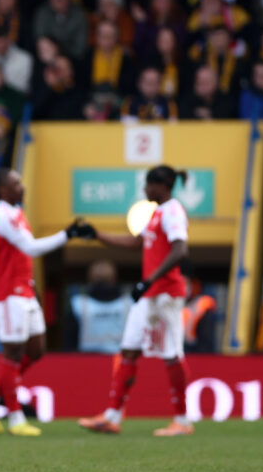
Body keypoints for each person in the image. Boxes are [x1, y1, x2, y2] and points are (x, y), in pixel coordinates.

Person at [0, 169, 94, 437]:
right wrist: (67, 234)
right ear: (3, 189)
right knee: (13, 353)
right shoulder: (2, 214)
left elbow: (20, 256)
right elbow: (31, 248)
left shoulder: (15, 212)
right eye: (16, 183)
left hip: (24, 289)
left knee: (36, 349)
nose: (22, 187)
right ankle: (15, 419)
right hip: (6, 293)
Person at [79, 165, 194, 437]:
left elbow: (181, 250)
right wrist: (98, 236)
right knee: (129, 349)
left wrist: (150, 279)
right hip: (150, 294)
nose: (144, 190)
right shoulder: (158, 213)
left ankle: (183, 421)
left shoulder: (174, 211)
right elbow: (136, 243)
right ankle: (112, 416)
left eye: (148, 185)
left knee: (171, 354)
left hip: (165, 295)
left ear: (162, 186)